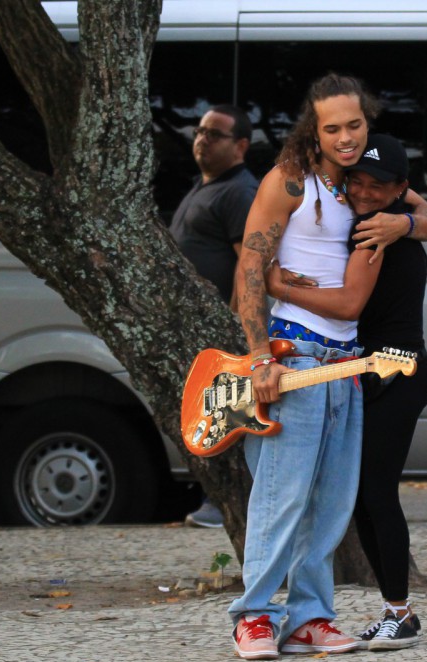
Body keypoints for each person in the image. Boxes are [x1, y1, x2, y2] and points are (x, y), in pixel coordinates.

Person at [228, 74, 427, 661]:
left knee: (329, 502)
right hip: (293, 353)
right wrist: (257, 359)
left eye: (355, 125)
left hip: (347, 362)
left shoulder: (357, 184)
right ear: (313, 130)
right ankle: (254, 615)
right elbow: (248, 270)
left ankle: (309, 619)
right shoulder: (288, 181)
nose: (346, 137)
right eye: (333, 129)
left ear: (367, 122)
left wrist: (403, 223)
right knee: (281, 494)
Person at [267, 134, 427, 650]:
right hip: (363, 371)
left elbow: (347, 307)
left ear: (400, 189)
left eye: (378, 185)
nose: (363, 190)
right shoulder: (369, 220)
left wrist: (275, 283)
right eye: (356, 179)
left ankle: (400, 612)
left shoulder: (379, 233)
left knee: (375, 493)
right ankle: (389, 608)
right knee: (356, 495)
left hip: (397, 373)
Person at [171, 104, 259, 530]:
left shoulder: (239, 192)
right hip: (197, 329)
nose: (202, 138)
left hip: (224, 328)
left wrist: (234, 323)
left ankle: (221, 503)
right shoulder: (203, 184)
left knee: (225, 411)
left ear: (241, 145)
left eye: (215, 133)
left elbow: (250, 263)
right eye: (199, 130)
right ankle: (214, 499)